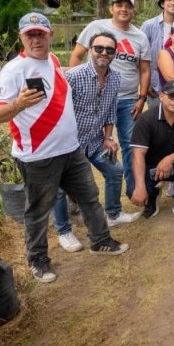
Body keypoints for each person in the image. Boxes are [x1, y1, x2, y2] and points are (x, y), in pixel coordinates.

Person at [0, 12, 129, 283]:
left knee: (89, 196)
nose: (36, 39)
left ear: (50, 35)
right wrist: (18, 104)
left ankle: (100, 241)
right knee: (38, 210)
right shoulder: (13, 70)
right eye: (30, 35)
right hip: (38, 156)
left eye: (40, 34)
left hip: (70, 149)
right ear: (22, 37)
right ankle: (38, 260)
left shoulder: (53, 60)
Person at [53, 32, 140, 254]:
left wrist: (108, 137)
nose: (104, 53)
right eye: (99, 48)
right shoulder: (74, 77)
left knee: (114, 170)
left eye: (109, 50)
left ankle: (113, 214)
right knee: (60, 189)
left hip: (95, 141)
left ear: (115, 53)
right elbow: (58, 111)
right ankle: (64, 231)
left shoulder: (114, 78)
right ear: (90, 50)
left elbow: (111, 108)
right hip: (69, 145)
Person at [70, 0, 151, 204]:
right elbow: (77, 55)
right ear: (111, 8)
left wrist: (142, 97)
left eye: (128, 6)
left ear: (133, 10)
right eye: (119, 5)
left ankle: (133, 189)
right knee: (81, 142)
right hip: (94, 96)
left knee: (129, 143)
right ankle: (75, 197)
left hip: (127, 99)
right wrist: (74, 87)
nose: (123, 9)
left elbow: (144, 69)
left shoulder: (139, 36)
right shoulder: (96, 27)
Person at [130, 80, 174, 220]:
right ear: (161, 96)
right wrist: (140, 186)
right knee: (132, 189)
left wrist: (168, 159)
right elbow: (138, 154)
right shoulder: (146, 119)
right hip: (151, 167)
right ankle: (151, 198)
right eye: (172, 96)